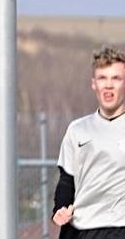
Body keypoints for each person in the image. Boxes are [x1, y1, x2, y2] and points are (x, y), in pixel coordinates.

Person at [53, 46, 125, 239]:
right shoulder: (77, 130)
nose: (108, 85)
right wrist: (60, 208)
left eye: (116, 78)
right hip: (81, 231)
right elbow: (67, 181)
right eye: (102, 78)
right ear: (94, 83)